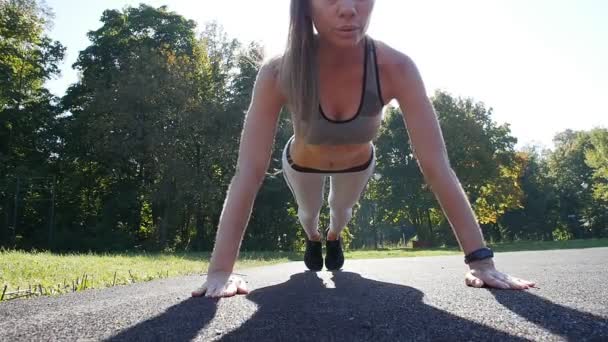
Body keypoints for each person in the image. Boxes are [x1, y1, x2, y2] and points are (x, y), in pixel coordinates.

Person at [192, 0, 535, 298]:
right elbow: (249, 171)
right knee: (307, 213)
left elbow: (436, 164)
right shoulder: (278, 71)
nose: (348, 9)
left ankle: (333, 236)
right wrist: (220, 271)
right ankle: (313, 237)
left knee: (341, 212)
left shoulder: (396, 67)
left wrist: (481, 260)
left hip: (358, 163)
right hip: (301, 164)